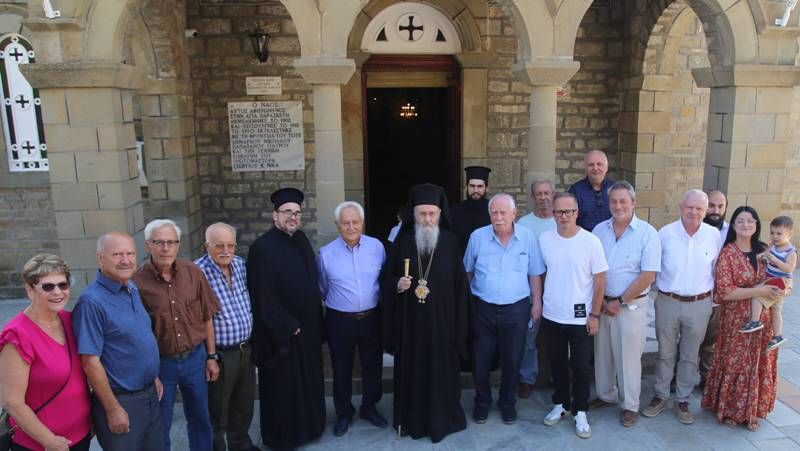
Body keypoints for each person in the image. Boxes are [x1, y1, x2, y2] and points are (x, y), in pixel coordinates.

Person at [381, 183, 471, 443]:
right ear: (414, 214)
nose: (428, 219)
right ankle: (411, 420)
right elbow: (385, 280)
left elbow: (461, 289)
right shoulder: (402, 242)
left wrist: (459, 328)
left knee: (442, 374)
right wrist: (397, 285)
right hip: (411, 327)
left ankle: (442, 420)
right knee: (413, 374)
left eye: (432, 214)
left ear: (440, 214)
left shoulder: (451, 242)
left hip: (443, 327)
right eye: (422, 214)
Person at [246, 188, 325, 449]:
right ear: (275, 215)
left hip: (308, 329)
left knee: (308, 382)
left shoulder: (301, 239)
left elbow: (311, 283)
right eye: (287, 212)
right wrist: (288, 325)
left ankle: (311, 429)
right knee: (285, 388)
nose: (293, 217)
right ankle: (284, 437)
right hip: (283, 334)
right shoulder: (262, 248)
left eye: (297, 213)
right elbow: (262, 295)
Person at [133, 219, 221, 451]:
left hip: (195, 359)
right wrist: (150, 372)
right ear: (148, 245)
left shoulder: (193, 272)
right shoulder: (136, 282)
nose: (166, 248)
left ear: (178, 245)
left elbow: (207, 316)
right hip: (161, 365)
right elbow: (137, 334)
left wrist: (211, 356)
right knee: (161, 423)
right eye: (159, 242)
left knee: (200, 417)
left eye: (171, 242)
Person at [73, 232, 163, 451]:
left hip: (149, 394)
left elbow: (136, 338)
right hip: (122, 401)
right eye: (117, 254)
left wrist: (152, 375)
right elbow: (90, 363)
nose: (126, 260)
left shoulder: (131, 288)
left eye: (130, 253)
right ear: (100, 258)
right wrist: (112, 408)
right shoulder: (91, 303)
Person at [464, 193, 544, 425]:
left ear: (514, 214)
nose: (498, 217)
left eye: (503, 212)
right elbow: (467, 271)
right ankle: (482, 401)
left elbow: (535, 273)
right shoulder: (477, 237)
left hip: (516, 309)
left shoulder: (527, 237)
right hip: (483, 307)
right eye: (494, 213)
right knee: (481, 359)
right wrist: (466, 305)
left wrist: (537, 303)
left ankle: (507, 403)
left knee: (512, 359)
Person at [642, 189, 720, 425]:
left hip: (699, 303)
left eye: (699, 208)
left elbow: (716, 269)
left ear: (705, 211)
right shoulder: (665, 234)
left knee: (690, 355)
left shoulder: (713, 235)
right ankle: (660, 395)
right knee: (665, 352)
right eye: (689, 207)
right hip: (668, 300)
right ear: (680, 207)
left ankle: (683, 399)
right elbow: (654, 267)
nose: (693, 212)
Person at [701, 206, 782, 431]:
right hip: (737, 320)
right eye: (741, 220)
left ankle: (753, 409)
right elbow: (725, 292)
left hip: (764, 318)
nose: (746, 224)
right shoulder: (727, 253)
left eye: (751, 220)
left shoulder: (765, 250)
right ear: (733, 225)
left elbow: (781, 276)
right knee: (737, 362)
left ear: (757, 225)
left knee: (759, 362)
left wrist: (782, 288)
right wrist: (759, 290)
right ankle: (731, 409)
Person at [0, 254, 91, 451]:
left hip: (81, 436)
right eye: (48, 286)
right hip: (41, 445)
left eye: (63, 285)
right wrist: (49, 441)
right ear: (30, 290)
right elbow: (11, 401)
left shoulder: (70, 320)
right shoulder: (17, 335)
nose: (57, 292)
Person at [590, 182, 661, 427]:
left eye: (623, 201)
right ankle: (606, 395)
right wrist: (601, 301)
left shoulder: (647, 233)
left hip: (630, 306)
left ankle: (630, 405)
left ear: (633, 203)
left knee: (628, 357)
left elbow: (648, 275)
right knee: (603, 354)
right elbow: (593, 267)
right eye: (614, 201)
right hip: (602, 304)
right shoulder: (599, 230)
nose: (618, 206)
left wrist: (620, 301)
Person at [539, 193, 608, 439]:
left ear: (577, 212)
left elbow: (600, 281)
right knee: (556, 363)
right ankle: (561, 404)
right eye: (559, 211)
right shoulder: (545, 239)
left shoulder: (591, 242)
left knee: (580, 366)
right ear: (553, 214)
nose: (564, 216)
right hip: (552, 314)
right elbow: (542, 274)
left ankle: (580, 410)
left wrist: (595, 314)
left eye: (568, 211)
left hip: (580, 318)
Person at [318, 201, 388, 436]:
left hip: (371, 318)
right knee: (341, 368)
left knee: (373, 366)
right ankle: (344, 413)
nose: (351, 227)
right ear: (337, 225)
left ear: (362, 223)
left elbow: (384, 280)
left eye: (355, 222)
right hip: (340, 320)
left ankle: (369, 407)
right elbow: (323, 288)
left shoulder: (377, 247)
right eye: (345, 223)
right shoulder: (326, 254)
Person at [194, 223, 259, 451]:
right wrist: (210, 356)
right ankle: (217, 447)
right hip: (220, 354)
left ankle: (240, 444)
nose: (226, 250)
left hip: (245, 348)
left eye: (230, 245)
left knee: (243, 403)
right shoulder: (197, 272)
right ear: (207, 246)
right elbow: (200, 317)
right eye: (219, 245)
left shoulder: (240, 265)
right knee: (218, 407)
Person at [516, 179, 557, 398]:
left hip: (558, 288)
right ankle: (527, 378)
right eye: (538, 194)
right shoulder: (523, 224)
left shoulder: (560, 220)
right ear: (533, 197)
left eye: (546, 193)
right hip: (531, 289)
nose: (543, 197)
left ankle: (557, 377)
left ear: (553, 195)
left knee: (557, 338)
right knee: (528, 338)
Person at [740, 216, 796, 352]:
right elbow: (764, 255)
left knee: (757, 294)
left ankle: (755, 321)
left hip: (781, 281)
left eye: (779, 234)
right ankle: (778, 336)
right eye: (772, 233)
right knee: (776, 310)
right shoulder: (773, 246)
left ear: (789, 234)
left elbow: (789, 269)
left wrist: (775, 260)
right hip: (771, 279)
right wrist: (759, 257)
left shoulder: (791, 252)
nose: (774, 236)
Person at [699, 190, 728, 385]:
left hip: (719, 298)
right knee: (689, 341)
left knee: (711, 342)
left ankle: (706, 379)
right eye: (711, 205)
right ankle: (678, 378)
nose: (715, 211)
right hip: (696, 296)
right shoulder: (692, 228)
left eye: (720, 206)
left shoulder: (731, 232)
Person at [568, 149, 615, 231]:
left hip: (612, 236)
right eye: (591, 165)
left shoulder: (616, 189)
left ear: (606, 167)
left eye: (599, 164)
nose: (595, 168)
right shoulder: (576, 190)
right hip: (584, 237)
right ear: (585, 168)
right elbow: (570, 220)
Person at [450, 165, 492, 254]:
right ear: (466, 187)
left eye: (480, 186)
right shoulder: (455, 211)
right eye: (472, 186)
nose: (475, 190)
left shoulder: (493, 210)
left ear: (486, 188)